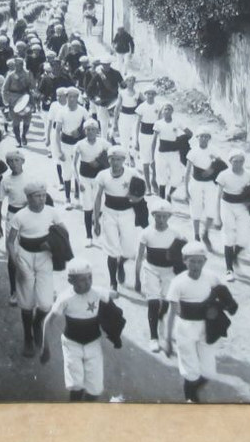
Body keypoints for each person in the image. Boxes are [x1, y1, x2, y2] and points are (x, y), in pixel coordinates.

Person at [7, 180, 67, 357]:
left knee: (46, 303)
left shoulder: (52, 212)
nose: (41, 199)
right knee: (26, 302)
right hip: (25, 257)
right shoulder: (20, 216)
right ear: (28, 198)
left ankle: (37, 323)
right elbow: (10, 242)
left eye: (43, 195)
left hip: (44, 259)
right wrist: (16, 263)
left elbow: (64, 232)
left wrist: (54, 244)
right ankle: (28, 338)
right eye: (37, 196)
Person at [40, 257, 113, 401]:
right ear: (71, 281)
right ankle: (74, 414)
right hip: (72, 344)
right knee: (76, 386)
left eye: (90, 278)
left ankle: (87, 415)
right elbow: (48, 321)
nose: (88, 283)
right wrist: (45, 346)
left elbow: (113, 295)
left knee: (95, 389)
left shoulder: (97, 292)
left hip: (93, 343)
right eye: (82, 280)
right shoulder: (65, 298)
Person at [165, 241, 221, 402]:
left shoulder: (212, 278)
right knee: (191, 371)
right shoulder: (178, 282)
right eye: (192, 261)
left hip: (206, 328)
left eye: (199, 261)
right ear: (184, 261)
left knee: (209, 371)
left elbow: (223, 297)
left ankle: (193, 391)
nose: (196, 265)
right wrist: (168, 339)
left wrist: (216, 310)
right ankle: (190, 398)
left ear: (205, 261)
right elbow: (171, 312)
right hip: (185, 328)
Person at [92, 145, 145, 293]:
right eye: (112, 159)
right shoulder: (103, 175)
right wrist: (96, 220)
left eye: (118, 159)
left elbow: (141, 193)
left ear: (123, 160)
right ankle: (113, 282)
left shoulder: (132, 174)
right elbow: (97, 198)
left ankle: (121, 263)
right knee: (112, 249)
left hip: (127, 213)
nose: (115, 162)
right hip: (109, 213)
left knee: (128, 250)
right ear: (108, 160)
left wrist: (134, 198)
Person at [135, 198, 184, 352]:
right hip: (151, 270)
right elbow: (139, 256)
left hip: (169, 272)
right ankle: (154, 337)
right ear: (153, 215)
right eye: (158, 216)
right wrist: (136, 278)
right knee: (153, 302)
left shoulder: (176, 234)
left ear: (169, 217)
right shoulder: (146, 233)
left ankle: (161, 318)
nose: (161, 220)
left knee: (168, 302)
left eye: (164, 216)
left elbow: (183, 259)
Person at [214, 149, 250, 281]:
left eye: (241, 161)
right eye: (235, 161)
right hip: (227, 205)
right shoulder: (223, 175)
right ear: (230, 161)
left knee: (244, 239)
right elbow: (218, 197)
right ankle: (229, 269)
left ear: (244, 162)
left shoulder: (249, 175)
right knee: (229, 236)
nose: (238, 164)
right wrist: (217, 217)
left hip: (242, 207)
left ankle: (233, 257)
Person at [0, 149, 32, 306]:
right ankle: (14, 291)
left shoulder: (30, 179)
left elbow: (40, 199)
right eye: (10, 161)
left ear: (22, 162)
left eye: (17, 160)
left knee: (29, 253)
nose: (14, 164)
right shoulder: (5, 181)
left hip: (28, 218)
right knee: (12, 255)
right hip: (12, 219)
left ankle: (29, 288)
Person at [48, 87, 89, 208]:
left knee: (79, 169)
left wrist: (81, 132)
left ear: (77, 98)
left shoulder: (82, 111)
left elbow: (89, 127)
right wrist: (59, 150)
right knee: (67, 172)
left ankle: (78, 196)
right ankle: (67, 199)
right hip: (66, 144)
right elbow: (57, 132)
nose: (72, 99)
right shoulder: (61, 112)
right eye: (69, 97)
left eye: (74, 97)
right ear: (66, 98)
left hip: (79, 145)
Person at [72, 119, 111, 245]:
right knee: (87, 207)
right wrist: (78, 183)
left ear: (97, 131)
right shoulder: (79, 144)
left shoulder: (103, 143)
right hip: (85, 179)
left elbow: (112, 153)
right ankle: (89, 236)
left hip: (99, 179)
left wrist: (100, 160)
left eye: (93, 129)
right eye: (88, 129)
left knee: (99, 205)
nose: (91, 132)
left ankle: (96, 222)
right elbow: (74, 165)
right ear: (84, 131)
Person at [184, 130, 224, 247]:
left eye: (206, 137)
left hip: (209, 184)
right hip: (196, 183)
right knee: (195, 209)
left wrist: (212, 168)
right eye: (201, 136)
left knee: (210, 209)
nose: (204, 139)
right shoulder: (193, 152)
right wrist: (186, 191)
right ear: (198, 138)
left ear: (209, 138)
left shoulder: (213, 150)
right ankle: (196, 235)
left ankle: (205, 233)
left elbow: (221, 164)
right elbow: (187, 172)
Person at [151, 102, 190, 204]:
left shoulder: (177, 122)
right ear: (162, 111)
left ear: (172, 111)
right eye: (165, 109)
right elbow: (154, 141)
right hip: (162, 155)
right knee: (162, 178)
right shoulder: (158, 123)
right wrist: (152, 158)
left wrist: (179, 140)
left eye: (169, 109)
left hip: (174, 154)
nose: (167, 111)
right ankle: (161, 201)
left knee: (177, 178)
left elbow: (190, 133)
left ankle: (169, 195)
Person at [3, 58, 34, 145]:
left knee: (27, 120)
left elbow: (32, 87)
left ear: (22, 65)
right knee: (15, 121)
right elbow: (4, 89)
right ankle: (18, 139)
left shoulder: (28, 74)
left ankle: (24, 135)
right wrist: (6, 101)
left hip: (26, 99)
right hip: (14, 100)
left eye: (19, 64)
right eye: (16, 65)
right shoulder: (10, 75)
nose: (17, 66)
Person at [135, 86, 161, 190]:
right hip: (144, 136)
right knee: (145, 161)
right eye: (148, 93)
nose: (150, 96)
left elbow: (160, 123)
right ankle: (148, 185)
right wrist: (136, 140)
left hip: (154, 136)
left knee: (154, 161)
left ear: (155, 95)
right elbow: (137, 124)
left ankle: (153, 180)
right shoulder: (142, 107)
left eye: (152, 94)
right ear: (145, 94)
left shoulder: (158, 106)